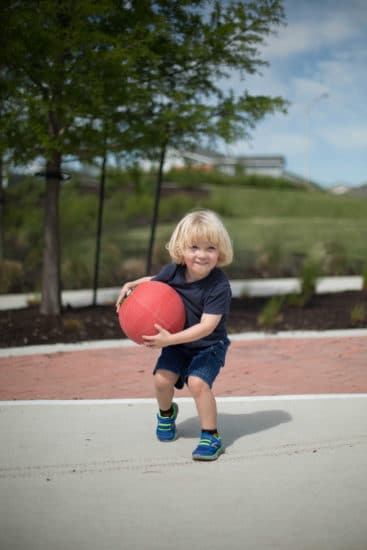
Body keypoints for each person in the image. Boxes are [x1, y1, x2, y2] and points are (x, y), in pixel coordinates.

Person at [115, 209, 233, 461]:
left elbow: (206, 327)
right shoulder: (173, 271)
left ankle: (211, 435)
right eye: (194, 247)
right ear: (181, 249)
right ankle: (166, 414)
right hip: (179, 343)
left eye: (210, 248)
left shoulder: (218, 286)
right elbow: (154, 282)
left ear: (220, 251)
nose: (201, 255)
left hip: (208, 345)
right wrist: (133, 285)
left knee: (197, 383)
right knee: (161, 380)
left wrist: (168, 340)